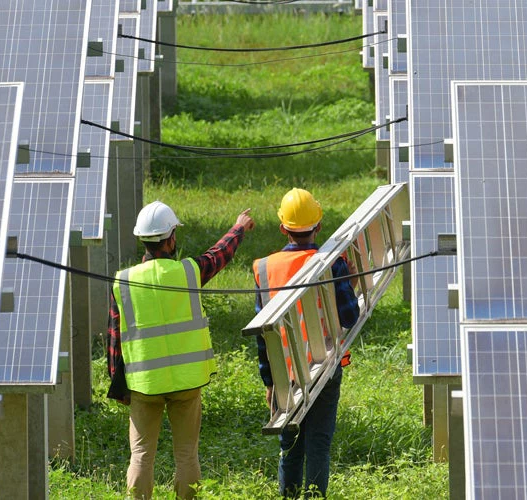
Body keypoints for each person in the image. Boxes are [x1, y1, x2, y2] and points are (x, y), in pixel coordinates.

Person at [107, 200, 255, 500]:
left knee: (140, 455)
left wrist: (120, 387)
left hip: (144, 384)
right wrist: (238, 228)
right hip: (187, 382)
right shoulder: (188, 272)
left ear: (142, 239)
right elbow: (218, 256)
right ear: (171, 238)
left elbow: (114, 340)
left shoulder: (123, 281)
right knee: (187, 454)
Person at [254, 188, 359, 498]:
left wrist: (269, 380)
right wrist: (350, 285)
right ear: (319, 226)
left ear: (283, 228)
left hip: (284, 373)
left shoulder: (264, 268)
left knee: (290, 444)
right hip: (324, 367)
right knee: (318, 443)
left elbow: (263, 333)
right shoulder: (332, 263)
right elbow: (349, 316)